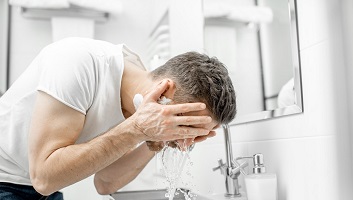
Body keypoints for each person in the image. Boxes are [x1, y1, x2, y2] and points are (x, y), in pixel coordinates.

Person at [0, 37, 236, 200]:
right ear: (165, 92)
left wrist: (156, 141)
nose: (185, 143)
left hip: (45, 191)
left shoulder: (140, 104)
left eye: (195, 136)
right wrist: (137, 128)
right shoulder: (79, 63)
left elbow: (105, 183)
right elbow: (44, 176)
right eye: (186, 127)